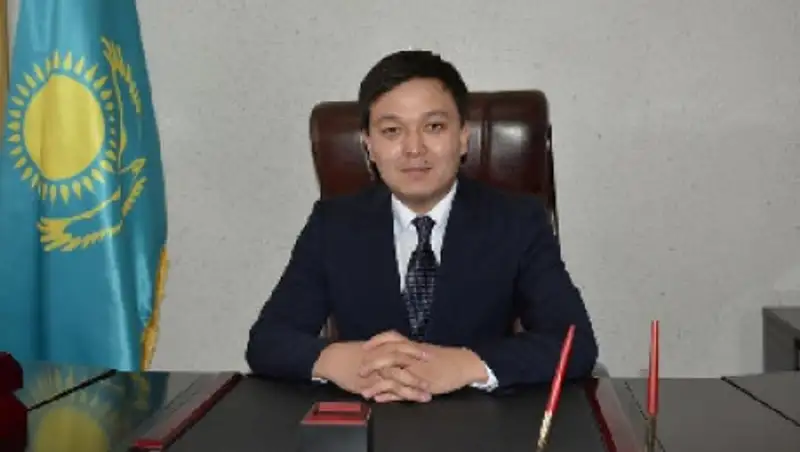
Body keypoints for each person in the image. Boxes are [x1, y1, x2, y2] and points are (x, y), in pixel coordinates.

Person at [246, 50, 598, 403]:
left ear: (463, 136)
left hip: (478, 420)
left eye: (434, 127)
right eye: (392, 131)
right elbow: (268, 340)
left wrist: (465, 365)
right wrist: (338, 360)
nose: (414, 148)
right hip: (372, 417)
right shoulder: (333, 225)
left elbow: (575, 343)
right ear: (369, 145)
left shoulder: (517, 221)